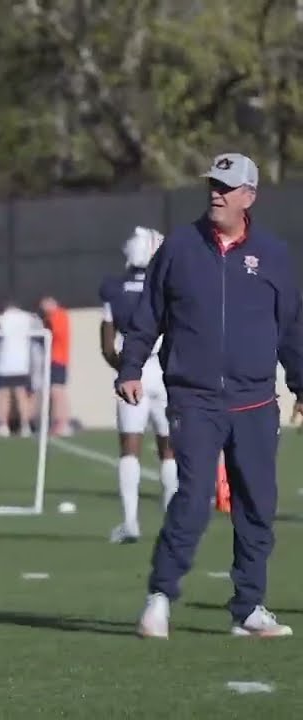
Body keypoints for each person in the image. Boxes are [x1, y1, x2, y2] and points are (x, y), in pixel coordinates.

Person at [120, 152, 302, 639]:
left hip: (256, 401)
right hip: (194, 399)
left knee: (257, 504)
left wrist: (301, 383)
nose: (216, 193)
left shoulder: (274, 254)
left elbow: (292, 327)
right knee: (194, 497)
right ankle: (159, 597)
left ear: (249, 196)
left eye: (227, 186)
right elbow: (148, 313)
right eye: (213, 185)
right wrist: (131, 366)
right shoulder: (179, 247)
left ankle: (249, 608)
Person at [98, 227, 178, 544]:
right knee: (169, 450)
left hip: (135, 371)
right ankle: (172, 523)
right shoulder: (167, 286)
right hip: (167, 371)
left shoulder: (114, 288)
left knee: (129, 449)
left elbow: (106, 346)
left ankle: (130, 521)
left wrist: (125, 370)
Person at [0, 302, 37, 437]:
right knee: (21, 394)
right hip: (22, 363)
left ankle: (3, 425)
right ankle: (25, 426)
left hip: (4, 363)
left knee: (3, 395)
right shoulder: (28, 318)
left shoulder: (1, 319)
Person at [38, 296, 72, 436]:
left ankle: (62, 423)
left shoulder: (58, 315)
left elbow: (54, 333)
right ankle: (60, 422)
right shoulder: (53, 316)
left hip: (58, 359)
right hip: (54, 359)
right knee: (56, 392)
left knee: (57, 392)